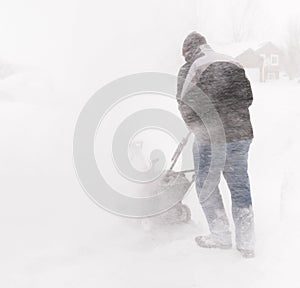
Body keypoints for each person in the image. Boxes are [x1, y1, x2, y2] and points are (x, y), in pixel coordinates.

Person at [177, 32, 255, 258]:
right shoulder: (232, 61)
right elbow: (248, 98)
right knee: (240, 187)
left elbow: (184, 104)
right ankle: (247, 242)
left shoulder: (191, 67)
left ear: (188, 52)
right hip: (241, 134)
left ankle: (220, 235)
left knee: (206, 185)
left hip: (212, 138)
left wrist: (198, 128)